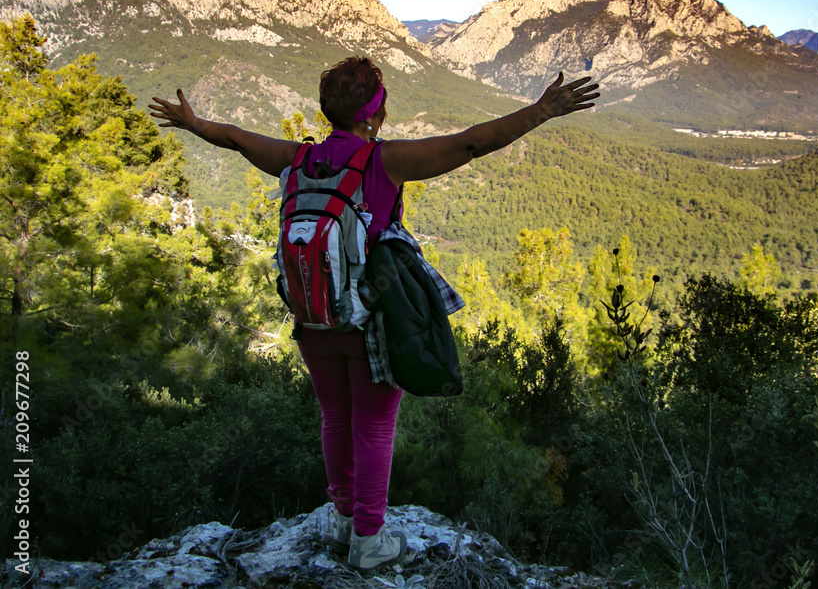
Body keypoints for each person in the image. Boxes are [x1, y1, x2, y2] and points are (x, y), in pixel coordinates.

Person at [148, 58, 599, 571]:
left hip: (312, 318)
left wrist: (194, 123)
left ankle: (342, 517)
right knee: (375, 424)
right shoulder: (383, 162)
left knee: (335, 415)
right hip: (369, 322)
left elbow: (235, 138)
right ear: (375, 114)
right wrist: (540, 111)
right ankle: (368, 537)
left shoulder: (296, 159)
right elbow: (471, 143)